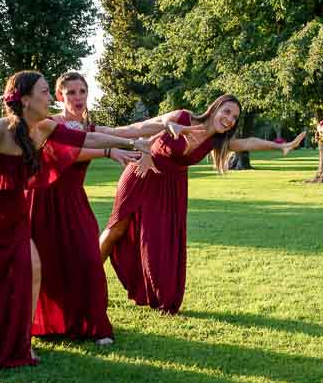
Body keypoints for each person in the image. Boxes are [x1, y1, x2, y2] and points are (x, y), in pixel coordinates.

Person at [0, 71, 153, 377]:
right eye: (43, 92)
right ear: (25, 99)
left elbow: (88, 137)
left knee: (31, 268)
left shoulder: (46, 126)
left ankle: (19, 344)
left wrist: (133, 141)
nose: (50, 98)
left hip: (11, 213)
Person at [29, 72, 201, 345]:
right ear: (60, 96)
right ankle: (52, 324)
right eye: (70, 92)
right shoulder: (51, 124)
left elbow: (132, 130)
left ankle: (95, 326)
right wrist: (110, 151)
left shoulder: (90, 127)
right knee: (49, 263)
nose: (77, 97)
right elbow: (70, 153)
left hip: (74, 200)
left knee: (88, 259)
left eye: (82, 91)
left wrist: (168, 120)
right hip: (44, 201)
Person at [99, 95, 306, 313]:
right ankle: (87, 280)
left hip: (170, 188)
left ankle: (161, 293)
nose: (229, 119)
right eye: (226, 112)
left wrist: (279, 146)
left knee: (158, 238)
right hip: (143, 172)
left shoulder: (216, 141)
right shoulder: (183, 116)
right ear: (214, 108)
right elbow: (143, 129)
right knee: (117, 229)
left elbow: (247, 142)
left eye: (234, 117)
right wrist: (145, 150)